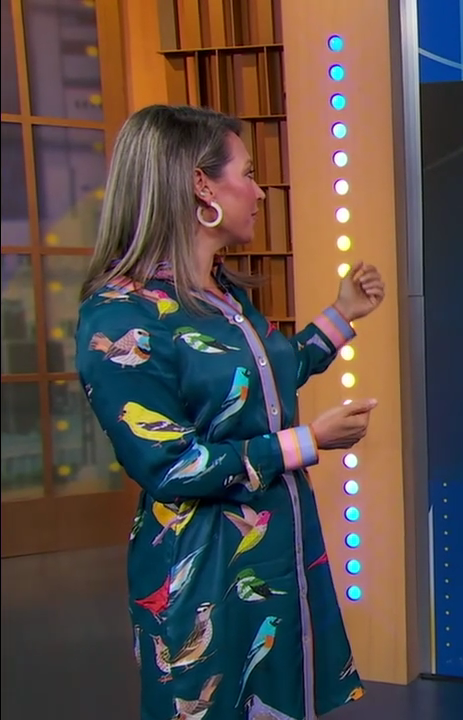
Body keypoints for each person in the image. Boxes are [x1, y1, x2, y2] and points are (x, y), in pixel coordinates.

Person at [76, 104, 385, 720]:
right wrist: (305, 441)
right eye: (247, 173)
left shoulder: (224, 297)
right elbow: (171, 465)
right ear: (202, 185)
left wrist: (341, 316)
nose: (260, 192)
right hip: (204, 567)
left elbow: (262, 379)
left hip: (277, 550)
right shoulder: (121, 318)